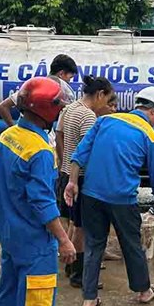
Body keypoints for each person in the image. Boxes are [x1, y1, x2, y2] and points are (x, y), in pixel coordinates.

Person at [66, 87, 154, 306]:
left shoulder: (105, 121)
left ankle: (89, 299)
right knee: (131, 245)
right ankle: (144, 291)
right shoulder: (151, 137)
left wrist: (72, 182)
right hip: (121, 200)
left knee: (93, 244)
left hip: (91, 194)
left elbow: (80, 153)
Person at [0, 76, 76, 306]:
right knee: (37, 302)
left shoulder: (8, 137)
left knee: (9, 291)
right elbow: (43, 203)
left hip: (11, 233)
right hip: (35, 242)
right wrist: (65, 240)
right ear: (47, 110)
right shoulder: (40, 150)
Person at [56, 75, 115, 288]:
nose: (107, 105)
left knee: (73, 221)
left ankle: (70, 266)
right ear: (99, 94)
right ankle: (79, 274)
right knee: (81, 226)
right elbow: (89, 152)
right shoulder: (88, 117)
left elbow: (59, 134)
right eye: (107, 99)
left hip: (66, 173)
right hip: (79, 177)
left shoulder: (69, 109)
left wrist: (65, 161)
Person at [0, 54, 78, 129]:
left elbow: (2, 106)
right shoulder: (35, 88)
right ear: (61, 73)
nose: (69, 81)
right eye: (70, 77)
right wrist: (14, 129)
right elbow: (3, 107)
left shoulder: (33, 88)